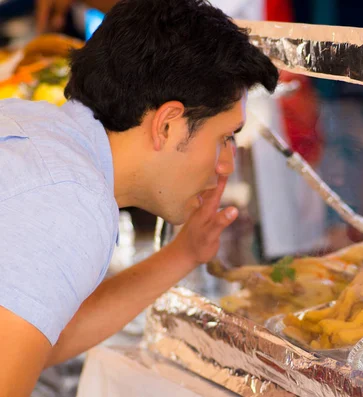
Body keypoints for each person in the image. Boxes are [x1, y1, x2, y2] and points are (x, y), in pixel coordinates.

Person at [0, 0, 279, 395]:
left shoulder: (41, 129)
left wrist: (184, 253)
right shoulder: (69, 199)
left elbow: (41, 336)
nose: (226, 166)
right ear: (166, 125)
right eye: (224, 138)